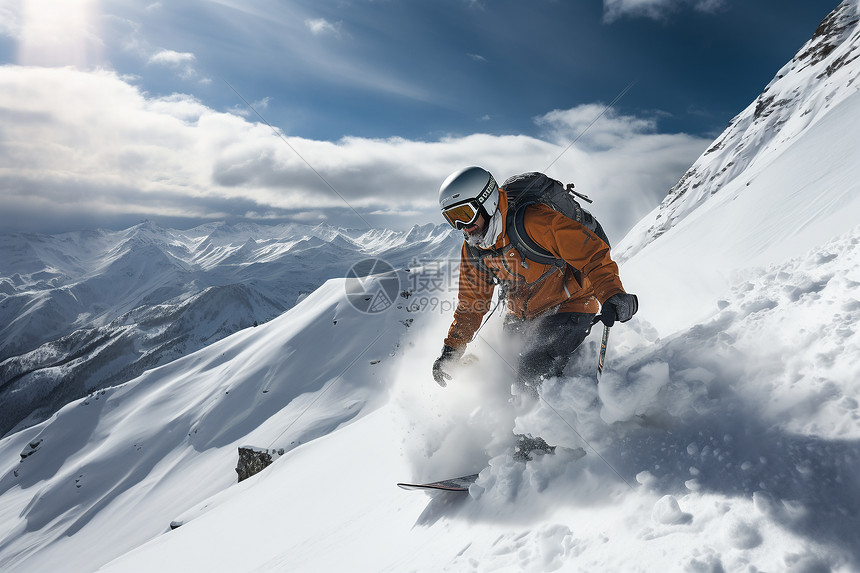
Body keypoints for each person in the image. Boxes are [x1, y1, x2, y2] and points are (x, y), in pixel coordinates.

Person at [432, 166, 638, 398]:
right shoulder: (474, 248)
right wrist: (452, 348)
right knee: (499, 373)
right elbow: (472, 301)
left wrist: (612, 294)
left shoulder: (534, 221)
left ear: (486, 202)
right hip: (522, 315)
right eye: (453, 219)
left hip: (570, 306)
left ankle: (545, 430)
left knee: (531, 372)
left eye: (465, 214)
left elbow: (591, 253)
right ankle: (503, 428)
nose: (463, 227)